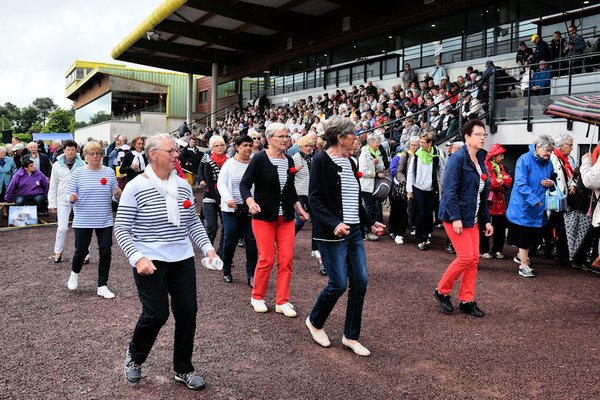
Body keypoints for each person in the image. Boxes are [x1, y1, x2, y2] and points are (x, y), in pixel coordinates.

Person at [114, 133, 218, 390]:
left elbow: (193, 221)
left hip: (181, 257)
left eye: (176, 151)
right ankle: (135, 358)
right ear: (153, 154)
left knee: (187, 312)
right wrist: (137, 257)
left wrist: (208, 249)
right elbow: (122, 228)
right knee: (156, 313)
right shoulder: (136, 186)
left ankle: (183, 368)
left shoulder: (182, 184)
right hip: (149, 259)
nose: (176, 155)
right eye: (171, 151)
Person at [306, 116, 385, 356]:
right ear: (340, 137)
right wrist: (334, 223)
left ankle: (351, 336)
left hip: (353, 233)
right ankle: (315, 321)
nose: (356, 138)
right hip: (332, 234)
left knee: (360, 282)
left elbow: (355, 200)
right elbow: (314, 200)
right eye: (352, 134)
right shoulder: (321, 160)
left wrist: (370, 222)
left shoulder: (350, 162)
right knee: (338, 283)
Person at [239, 122, 309, 317]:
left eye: (287, 136)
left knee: (286, 260)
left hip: (285, 218)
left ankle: (282, 301)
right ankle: (257, 296)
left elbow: (290, 190)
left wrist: (299, 209)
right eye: (282, 136)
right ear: (269, 139)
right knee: (267, 259)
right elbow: (244, 185)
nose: (286, 139)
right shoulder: (259, 159)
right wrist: (251, 202)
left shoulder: (288, 160)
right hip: (263, 218)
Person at [435, 120, 492, 318]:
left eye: (483, 134)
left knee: (474, 259)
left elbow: (482, 193)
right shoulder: (457, 158)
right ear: (467, 137)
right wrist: (456, 218)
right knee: (466, 257)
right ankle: (441, 291)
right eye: (478, 134)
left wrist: (486, 220)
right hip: (455, 216)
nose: (482, 137)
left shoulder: (481, 160)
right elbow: (449, 191)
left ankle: (467, 300)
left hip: (473, 217)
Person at [66, 141, 121, 298]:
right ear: (85, 156)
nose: (95, 156)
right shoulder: (77, 173)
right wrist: (71, 198)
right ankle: (74, 273)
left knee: (105, 251)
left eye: (98, 153)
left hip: (104, 218)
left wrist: (117, 195)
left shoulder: (109, 172)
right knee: (81, 250)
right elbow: (69, 195)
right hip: (83, 218)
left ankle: (102, 285)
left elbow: (114, 195)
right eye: (92, 154)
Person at [506, 135, 556, 278]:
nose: (549, 154)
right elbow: (520, 184)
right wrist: (534, 200)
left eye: (551, 151)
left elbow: (552, 178)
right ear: (538, 147)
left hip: (537, 204)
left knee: (531, 235)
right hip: (524, 205)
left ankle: (521, 258)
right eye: (547, 150)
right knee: (525, 236)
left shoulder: (548, 162)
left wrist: (552, 184)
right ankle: (523, 265)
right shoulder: (524, 160)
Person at [216, 135, 258, 285]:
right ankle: (226, 269)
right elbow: (221, 184)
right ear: (238, 147)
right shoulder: (229, 164)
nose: (248, 148)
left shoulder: (255, 163)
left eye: (250, 145)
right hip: (231, 209)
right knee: (230, 239)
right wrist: (228, 199)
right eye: (244, 145)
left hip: (251, 208)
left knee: (252, 241)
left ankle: (251, 274)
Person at [406, 132, 445, 251]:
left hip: (431, 188)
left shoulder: (438, 153)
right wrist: (409, 190)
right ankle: (420, 239)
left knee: (429, 214)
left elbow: (441, 170)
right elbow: (411, 173)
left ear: (430, 143)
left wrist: (440, 186)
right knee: (420, 213)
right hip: (418, 187)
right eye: (420, 142)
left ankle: (427, 235)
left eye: (423, 143)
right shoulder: (417, 154)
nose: (420, 144)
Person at [48, 140, 85, 263]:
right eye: (68, 149)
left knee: (83, 227)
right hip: (62, 199)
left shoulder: (83, 164)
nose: (70, 152)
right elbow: (53, 185)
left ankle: (85, 253)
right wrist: (52, 204)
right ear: (63, 151)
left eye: (73, 150)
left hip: (79, 199)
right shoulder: (57, 165)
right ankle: (57, 252)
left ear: (76, 151)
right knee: (62, 228)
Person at [292, 135, 322, 272]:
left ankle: (315, 248)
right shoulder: (295, 158)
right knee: (300, 221)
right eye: (306, 146)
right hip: (299, 192)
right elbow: (289, 175)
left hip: (312, 192)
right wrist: (294, 170)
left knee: (316, 220)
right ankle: (286, 242)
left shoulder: (315, 158)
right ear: (300, 147)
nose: (309, 148)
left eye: (311, 146)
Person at [546, 134, 576, 265]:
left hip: (560, 199)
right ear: (561, 146)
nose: (572, 148)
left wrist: (572, 185)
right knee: (554, 226)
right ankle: (558, 255)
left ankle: (557, 254)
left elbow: (567, 178)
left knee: (555, 226)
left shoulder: (563, 160)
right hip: (554, 200)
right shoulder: (554, 159)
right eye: (569, 145)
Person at [480, 144, 512, 259]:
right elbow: (491, 183)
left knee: (500, 227)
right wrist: (502, 181)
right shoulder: (486, 166)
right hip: (490, 201)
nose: (502, 157)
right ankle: (483, 250)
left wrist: (500, 181)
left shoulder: (500, 167)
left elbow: (509, 180)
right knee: (485, 226)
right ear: (494, 156)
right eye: (501, 155)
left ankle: (497, 249)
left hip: (499, 201)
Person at [388, 136, 419, 244]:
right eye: (412, 145)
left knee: (409, 211)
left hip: (417, 187)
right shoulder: (404, 156)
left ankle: (402, 231)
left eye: (415, 145)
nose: (413, 147)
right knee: (399, 210)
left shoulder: (422, 156)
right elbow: (398, 172)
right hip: (403, 188)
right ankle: (396, 232)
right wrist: (406, 182)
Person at [358, 132, 385, 241]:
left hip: (375, 186)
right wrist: (376, 174)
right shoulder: (364, 154)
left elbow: (382, 168)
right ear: (371, 142)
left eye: (379, 142)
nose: (379, 144)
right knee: (370, 208)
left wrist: (377, 163)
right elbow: (362, 171)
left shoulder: (377, 153)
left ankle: (370, 229)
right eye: (377, 142)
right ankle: (367, 230)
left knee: (374, 208)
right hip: (366, 186)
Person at [203, 135, 227, 245]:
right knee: (212, 227)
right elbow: (209, 185)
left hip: (225, 197)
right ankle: (208, 251)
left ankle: (222, 253)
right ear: (212, 148)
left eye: (222, 145)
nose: (220, 147)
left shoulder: (229, 161)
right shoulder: (208, 162)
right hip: (210, 197)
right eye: (216, 146)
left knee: (226, 228)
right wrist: (219, 201)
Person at [0, 147, 17, 216]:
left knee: (6, 197)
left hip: (8, 181)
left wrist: (14, 174)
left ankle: (5, 213)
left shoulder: (10, 160)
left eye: (4, 153)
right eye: (1, 153)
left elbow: (14, 169)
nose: (3, 154)